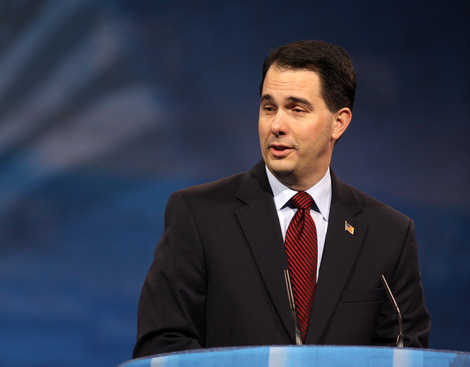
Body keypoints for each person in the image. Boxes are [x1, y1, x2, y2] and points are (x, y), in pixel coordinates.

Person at [132, 40, 430, 358]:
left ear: (339, 122)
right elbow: (161, 345)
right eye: (269, 107)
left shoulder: (387, 235)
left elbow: (404, 355)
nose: (276, 126)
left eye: (296, 109)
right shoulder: (199, 215)